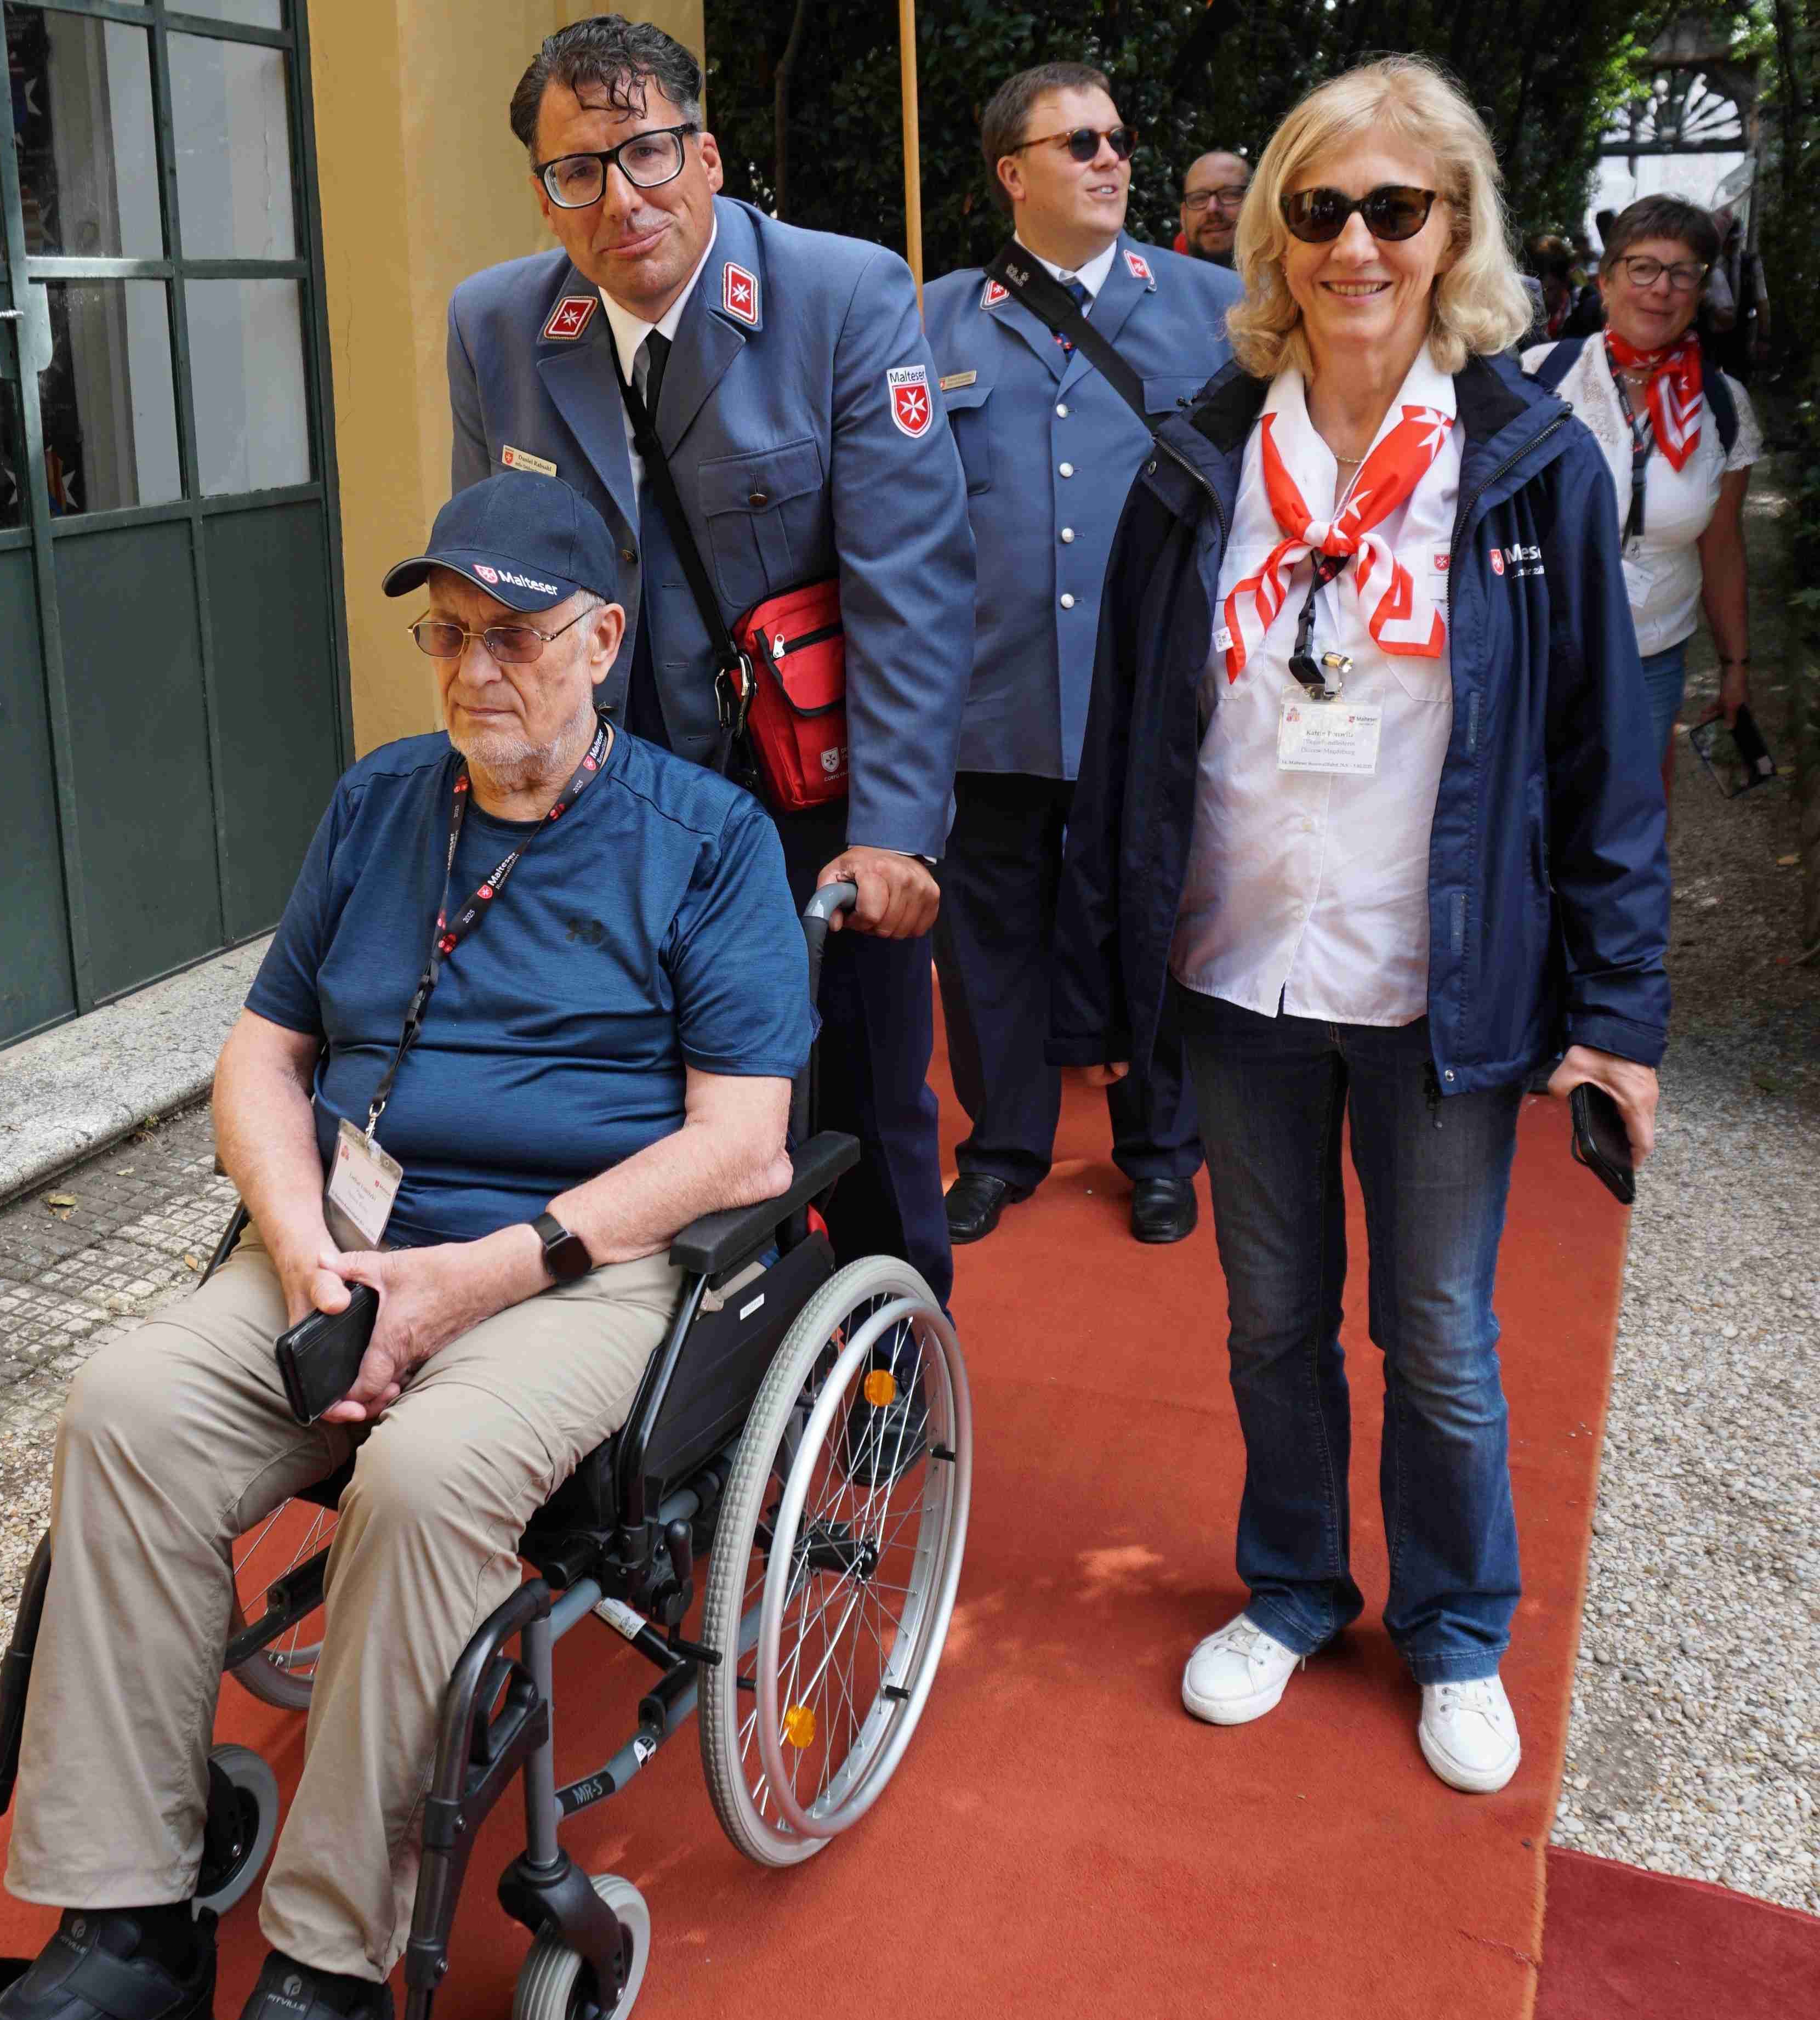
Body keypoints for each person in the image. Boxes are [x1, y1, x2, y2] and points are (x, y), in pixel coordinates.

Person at [0, 473, 814, 2020]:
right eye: (446, 636)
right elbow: (263, 1056)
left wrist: (485, 1273)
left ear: (603, 642)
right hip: (346, 1247)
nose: (475, 674)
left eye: (517, 637)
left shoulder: (709, 839)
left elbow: (742, 1138)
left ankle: (319, 1976)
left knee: (434, 1473)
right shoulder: (381, 804)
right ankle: (128, 1937)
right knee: (130, 1404)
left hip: (575, 1266)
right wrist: (310, 1250)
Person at [1050, 58, 1669, 1795]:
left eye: (1394, 208)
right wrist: (1107, 965)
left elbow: (1602, 767)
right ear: (1274, 237)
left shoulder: (1527, 464)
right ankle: (1298, 1584)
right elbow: (1131, 736)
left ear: (1452, 227)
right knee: (1267, 1320)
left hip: (1437, 977)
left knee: (1443, 1340)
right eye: (1316, 210)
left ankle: (1457, 1626)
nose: (1354, 245)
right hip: (1242, 964)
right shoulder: (1203, 450)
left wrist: (1617, 1014)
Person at [447, 14, 974, 1309]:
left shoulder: (838, 298)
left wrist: (897, 833)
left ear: (709, 154)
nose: (619, 198)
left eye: (647, 152)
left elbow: (908, 583)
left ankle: (895, 1372)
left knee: (856, 1106)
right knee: (635, 1114)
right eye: (579, 169)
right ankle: (697, 1389)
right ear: (544, 191)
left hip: (810, 811)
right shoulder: (498, 327)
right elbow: (497, 578)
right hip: (613, 811)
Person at [924, 64, 1237, 1248]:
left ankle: (1159, 1148)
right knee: (989, 933)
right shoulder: (931, 319)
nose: (1109, 158)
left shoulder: (1216, 307)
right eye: (1077, 143)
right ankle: (1002, 1145)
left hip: (1150, 693)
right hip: (989, 689)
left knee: (1153, 914)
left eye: (1115, 136)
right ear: (1013, 172)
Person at [1525, 194, 1762, 801]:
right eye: (1642, 268)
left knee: (1633, 817)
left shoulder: (1722, 404)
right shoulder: (1537, 378)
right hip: (1543, 653)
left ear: (1699, 290)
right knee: (1536, 815)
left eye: (1682, 272)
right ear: (1605, 281)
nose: (1661, 288)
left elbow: (1722, 546)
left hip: (1651, 654)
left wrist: (1735, 667)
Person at [1703, 209, 1768, 379]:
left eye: (1736, 240)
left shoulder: (1751, 262)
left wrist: (1763, 338)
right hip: (1710, 337)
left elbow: (1762, 301)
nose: (1732, 245)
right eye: (1729, 241)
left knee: (1739, 379)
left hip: (1740, 336)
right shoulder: (1708, 264)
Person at [1178, 149, 1252, 267]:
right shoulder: (1159, 282)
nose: (1212, 208)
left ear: (1258, 204)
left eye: (1230, 194)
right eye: (1199, 198)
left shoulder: (1288, 282)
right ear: (1183, 217)